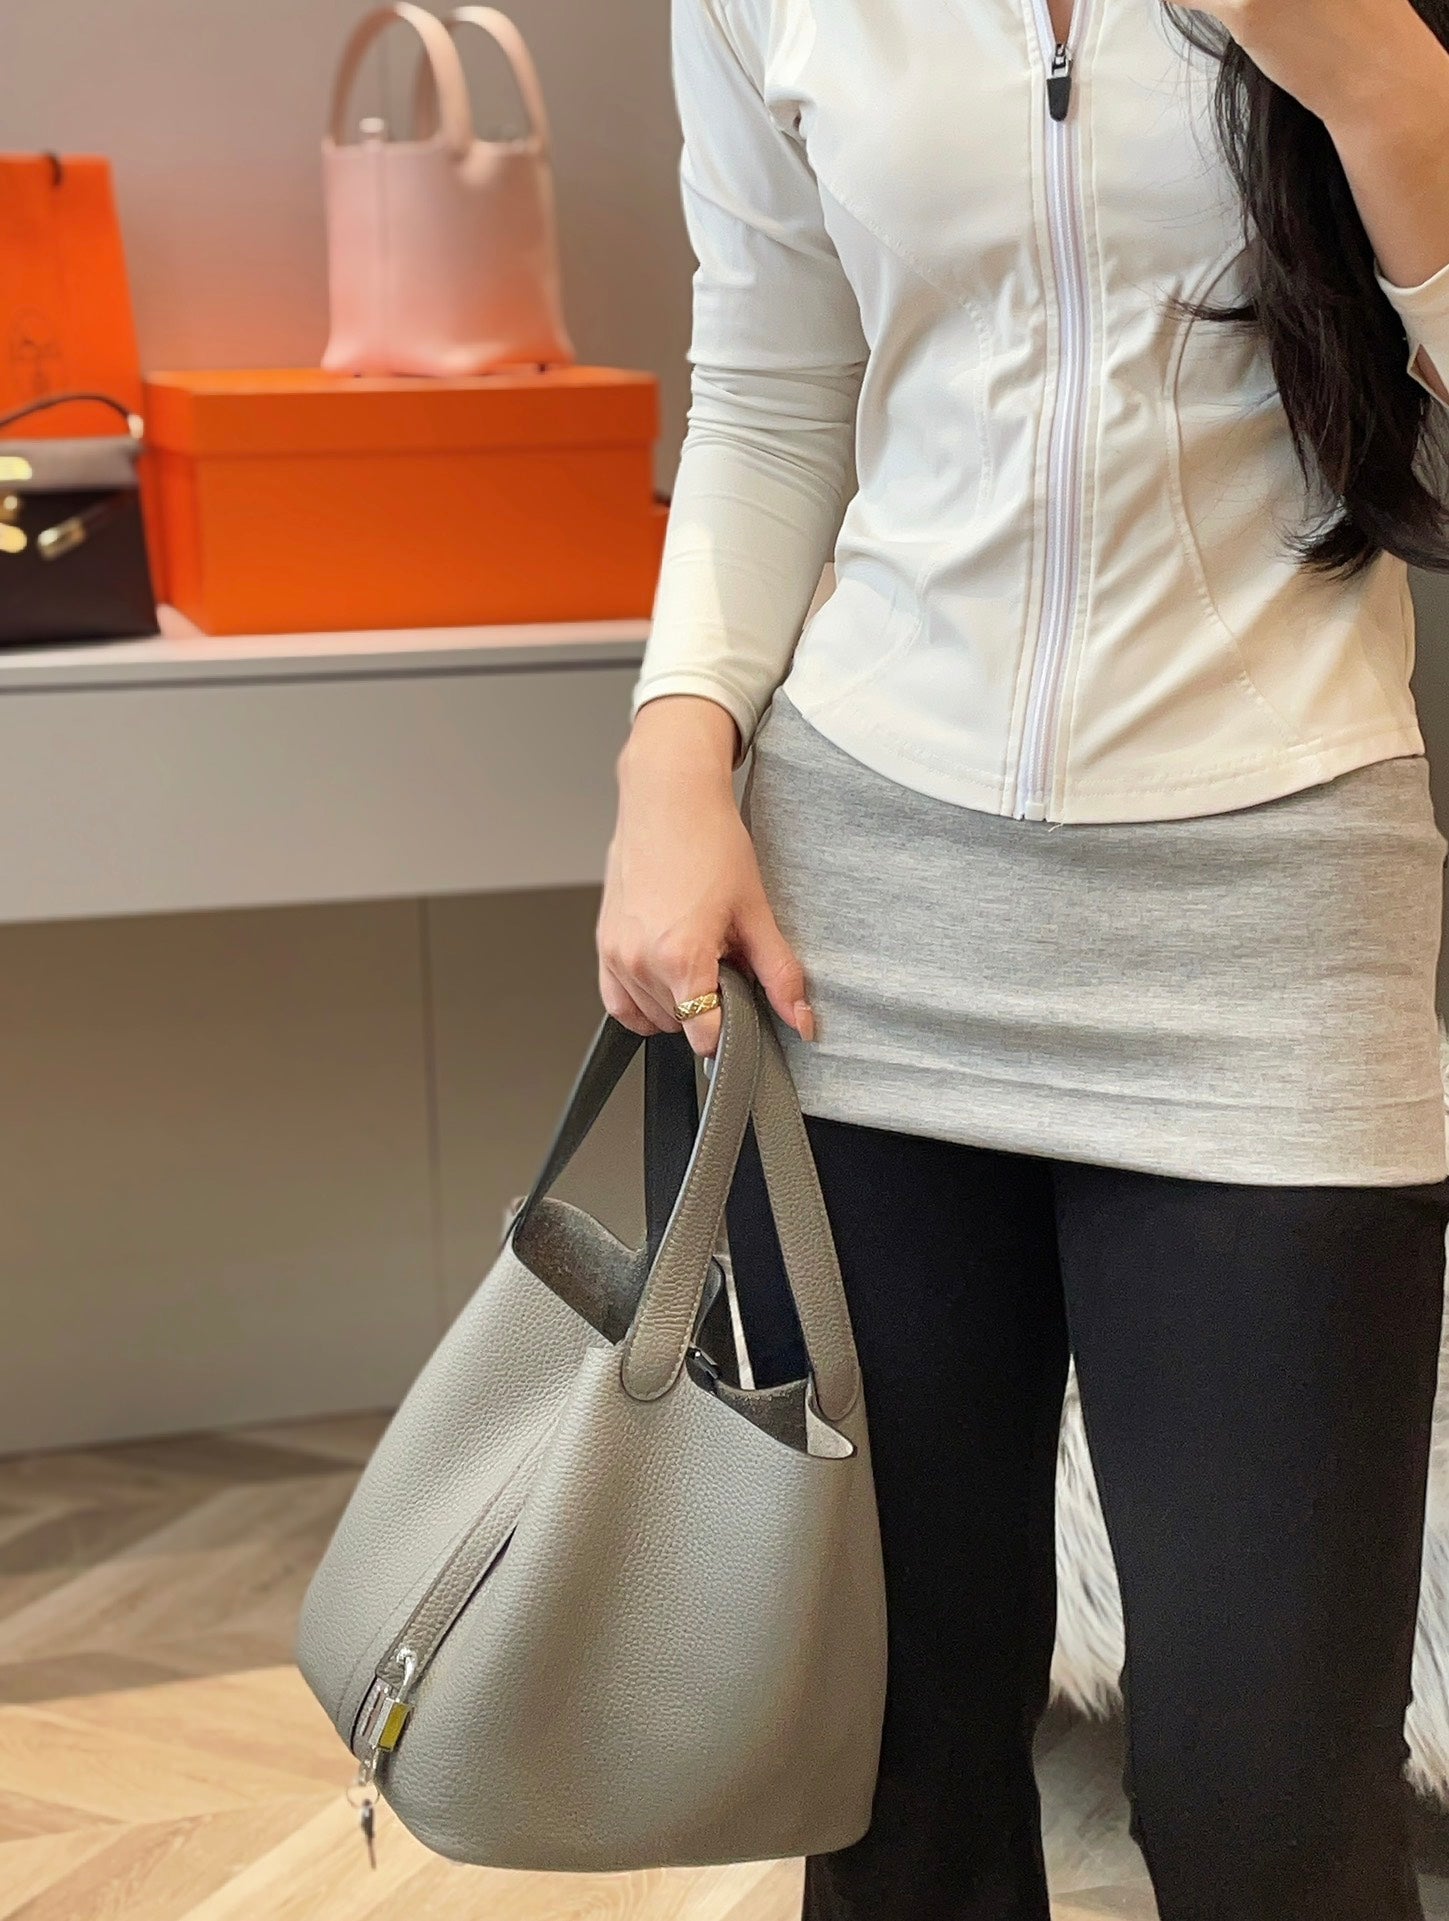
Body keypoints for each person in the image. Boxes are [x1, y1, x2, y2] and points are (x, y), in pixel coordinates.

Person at [599, 0, 1449, 1915]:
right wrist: (674, 751)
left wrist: (1365, 69)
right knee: (891, 1787)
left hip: (1273, 931)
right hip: (853, 930)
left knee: (1270, 1812)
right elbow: (770, 389)